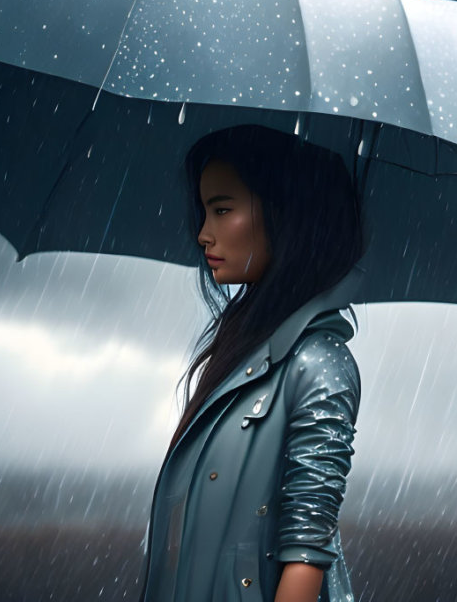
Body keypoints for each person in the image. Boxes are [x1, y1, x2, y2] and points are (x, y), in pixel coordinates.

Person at [138, 124, 366, 602]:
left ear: (287, 215)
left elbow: (307, 549)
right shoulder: (242, 354)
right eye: (205, 212)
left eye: (222, 210)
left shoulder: (318, 362)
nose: (203, 234)